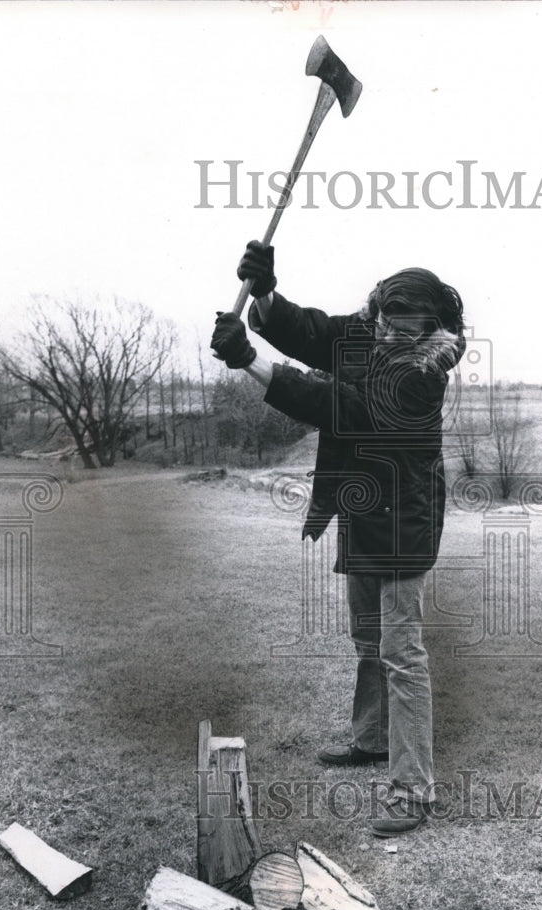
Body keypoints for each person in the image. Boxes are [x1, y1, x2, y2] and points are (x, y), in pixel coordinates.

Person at [211, 241, 466, 836]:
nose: (386, 338)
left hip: (404, 518)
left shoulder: (422, 375)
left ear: (431, 329)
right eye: (382, 323)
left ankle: (412, 789)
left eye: (403, 332)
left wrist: (250, 360)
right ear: (376, 308)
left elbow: (335, 404)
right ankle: (372, 741)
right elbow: (310, 330)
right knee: (367, 638)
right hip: (361, 505)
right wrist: (267, 293)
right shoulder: (367, 330)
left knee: (402, 655)